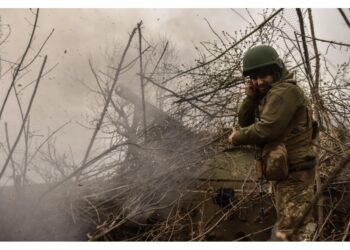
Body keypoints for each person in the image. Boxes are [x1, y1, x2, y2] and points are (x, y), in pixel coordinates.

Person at [228, 45, 317, 241]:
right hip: (286, 174)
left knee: (293, 233)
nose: (259, 82)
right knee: (287, 229)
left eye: (263, 76)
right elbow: (245, 122)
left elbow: (266, 129)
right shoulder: (271, 93)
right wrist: (251, 98)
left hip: (295, 175)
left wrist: (237, 137)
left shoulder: (284, 92)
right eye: (254, 77)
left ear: (276, 70)